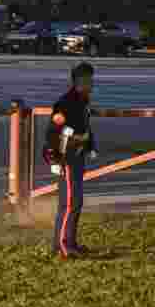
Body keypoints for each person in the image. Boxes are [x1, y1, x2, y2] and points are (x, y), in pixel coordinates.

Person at [43, 62, 98, 259]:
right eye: (89, 80)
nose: (93, 83)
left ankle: (68, 242)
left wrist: (90, 146)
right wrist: (55, 159)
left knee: (74, 202)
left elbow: (85, 128)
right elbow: (52, 132)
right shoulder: (66, 103)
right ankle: (63, 246)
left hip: (77, 155)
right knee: (70, 203)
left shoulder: (82, 101)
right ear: (80, 81)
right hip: (66, 157)